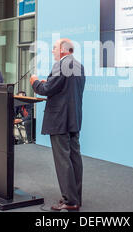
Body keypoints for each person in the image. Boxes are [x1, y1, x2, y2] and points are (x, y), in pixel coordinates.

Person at [30, 38, 85, 211]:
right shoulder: (78, 65)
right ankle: (76, 198)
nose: (52, 50)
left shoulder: (61, 65)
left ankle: (69, 201)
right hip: (73, 118)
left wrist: (35, 82)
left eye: (54, 48)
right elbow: (66, 89)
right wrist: (50, 84)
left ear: (62, 50)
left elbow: (45, 90)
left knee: (63, 161)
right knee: (74, 158)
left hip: (60, 119)